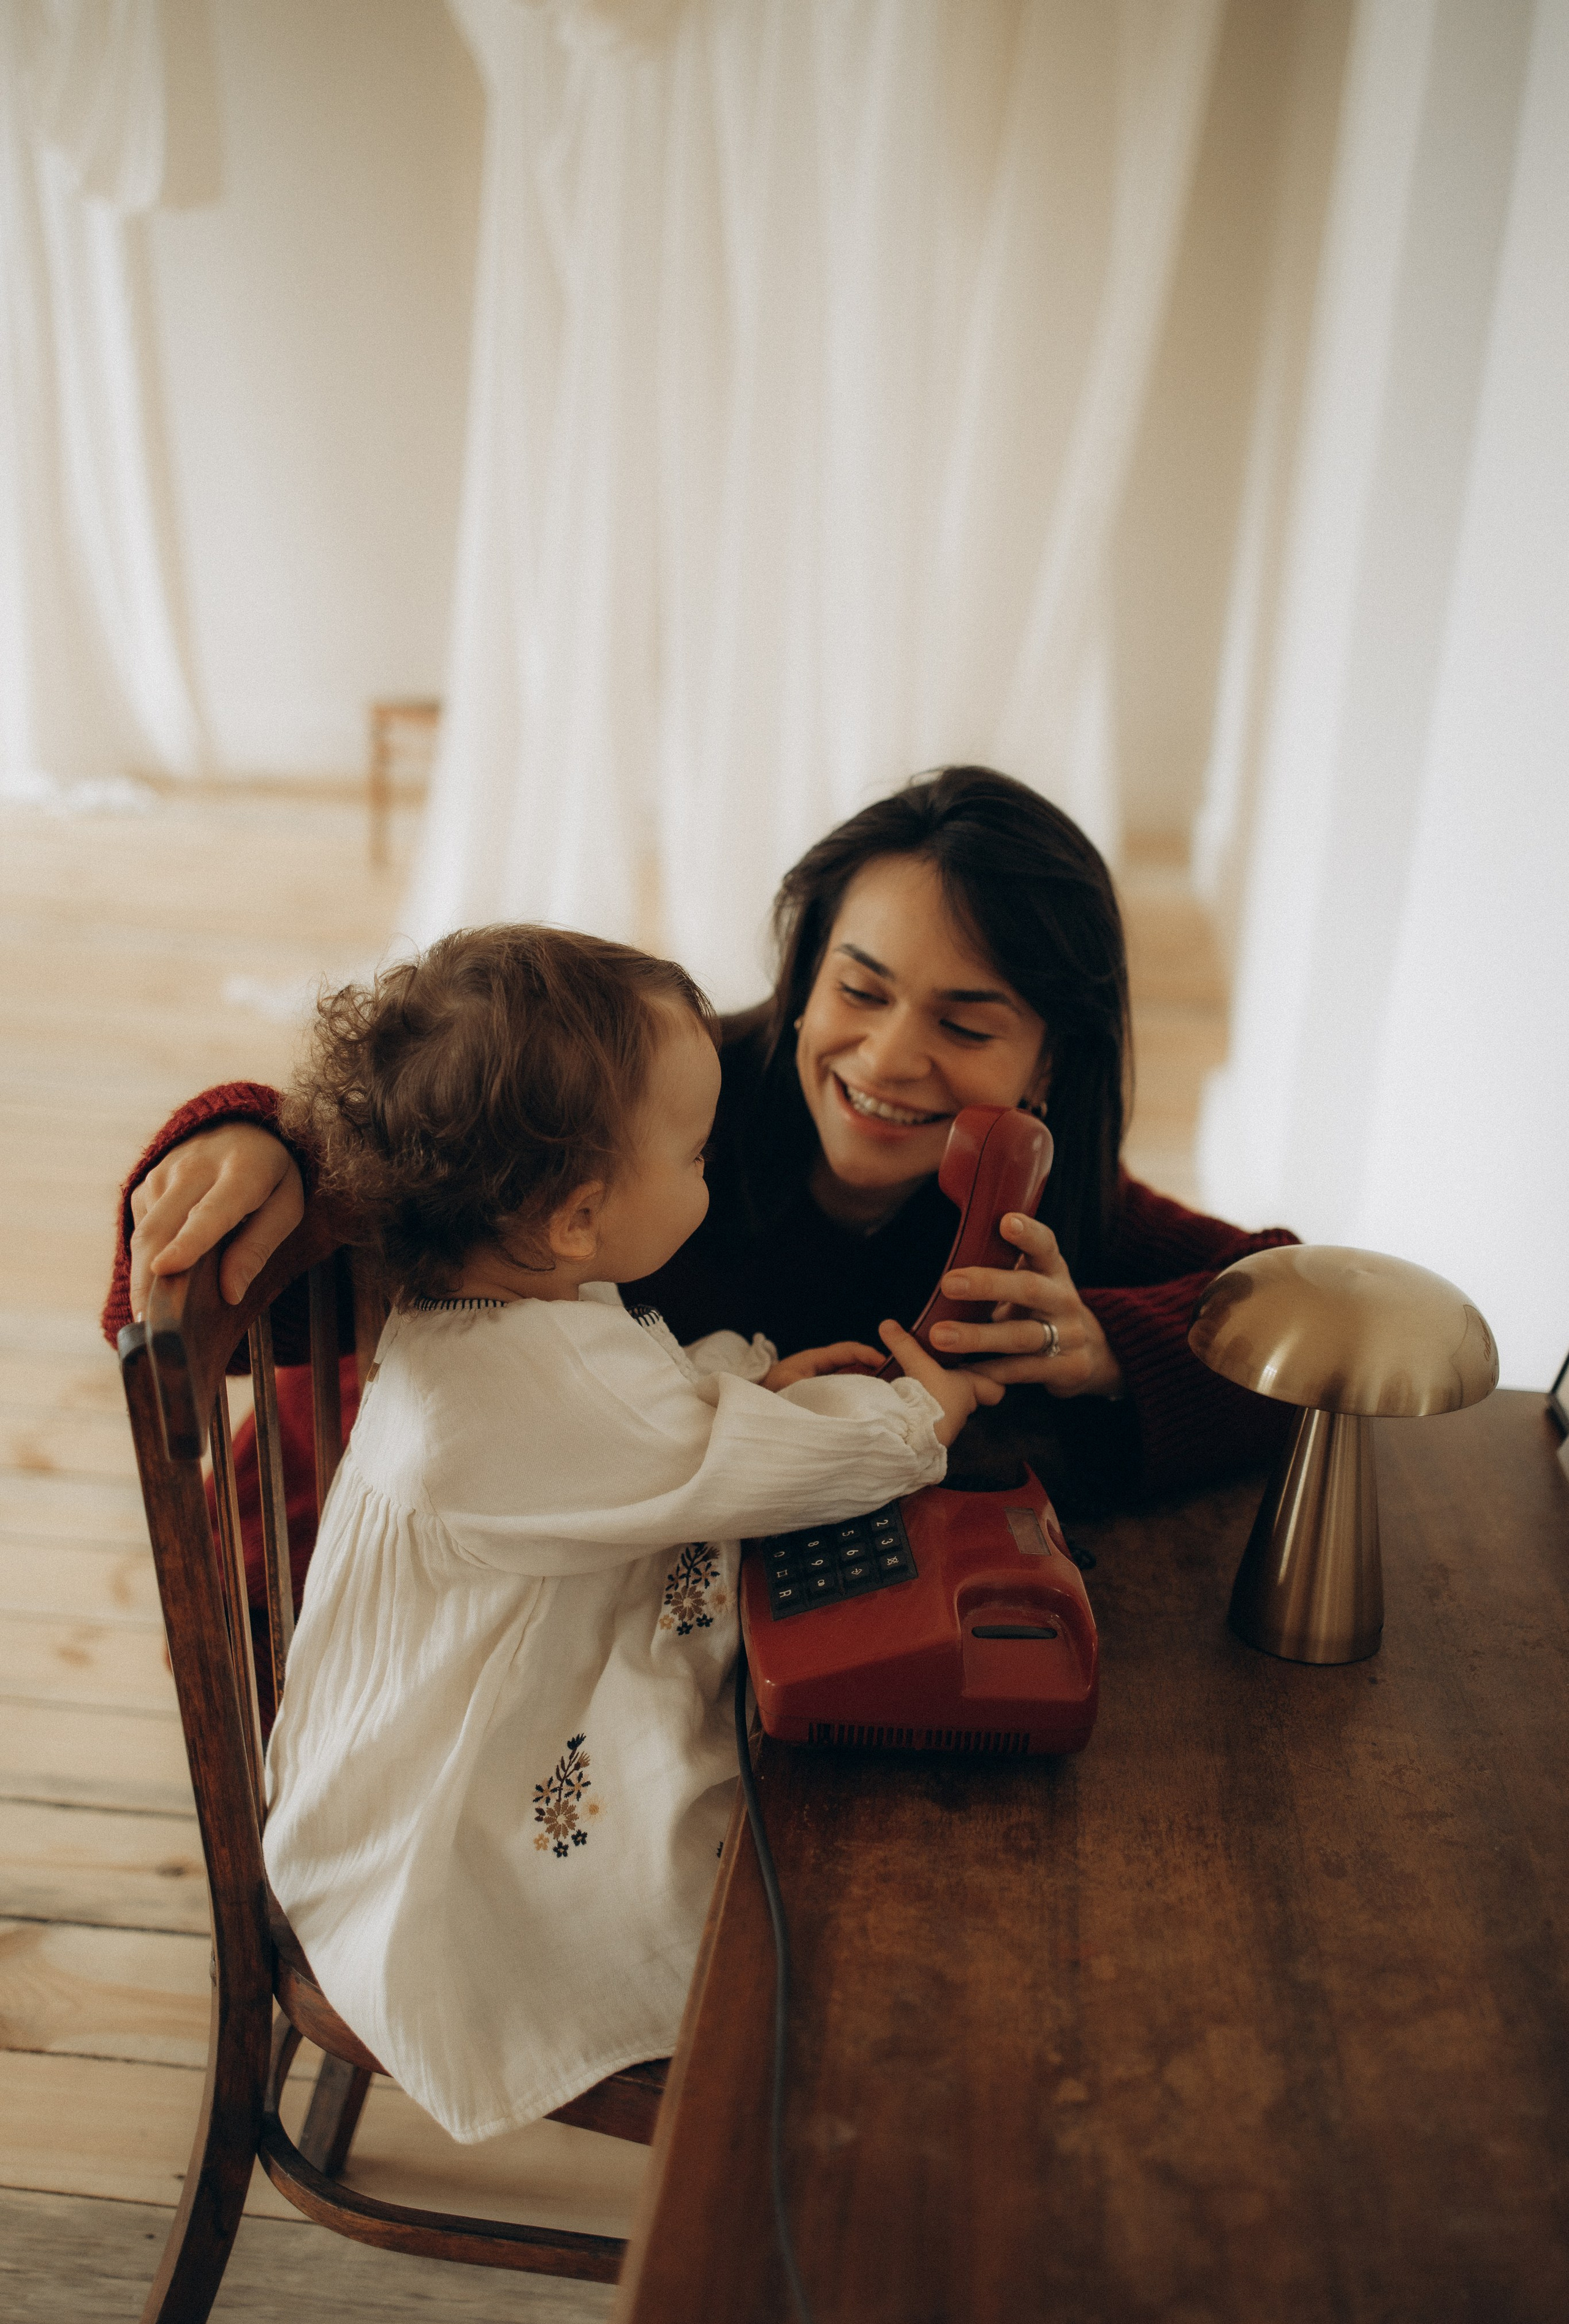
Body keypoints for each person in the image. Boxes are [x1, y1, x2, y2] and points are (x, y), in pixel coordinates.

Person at [102, 766, 1297, 1613]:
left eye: (966, 1022)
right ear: (802, 971)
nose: (885, 1060)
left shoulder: (1030, 1206)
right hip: (372, 1605)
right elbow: (237, 1273)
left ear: (1049, 1060)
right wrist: (260, 1135)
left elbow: (1290, 1309)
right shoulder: (633, 1115)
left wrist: (1105, 1357)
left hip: (632, 1634)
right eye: (860, 990)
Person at [259, 924, 990, 2141]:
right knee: (802, 1882)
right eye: (696, 1155)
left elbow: (643, 1412)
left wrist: (739, 1395)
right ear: (578, 1218)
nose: (714, 1175)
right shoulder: (516, 1395)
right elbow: (717, 1465)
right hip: (427, 1841)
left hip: (425, 1736)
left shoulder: (495, 1317)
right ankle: (810, 2134)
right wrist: (922, 1415)